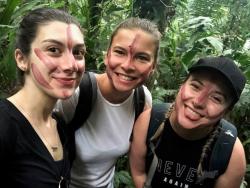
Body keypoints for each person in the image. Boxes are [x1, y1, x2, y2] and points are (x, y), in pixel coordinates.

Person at [55, 17, 161, 188]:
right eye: (120, 52)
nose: (128, 65)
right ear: (107, 55)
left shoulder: (142, 99)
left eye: (141, 58)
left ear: (153, 66)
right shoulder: (76, 93)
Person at [0, 8, 86, 188]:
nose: (71, 65)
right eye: (53, 50)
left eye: (78, 52)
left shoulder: (61, 126)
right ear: (22, 59)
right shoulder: (4, 125)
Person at [129, 56, 246, 188]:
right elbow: (139, 174)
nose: (198, 102)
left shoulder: (231, 154)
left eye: (216, 98)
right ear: (182, 85)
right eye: (195, 86)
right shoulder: (149, 121)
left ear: (226, 111)